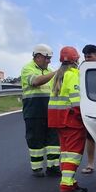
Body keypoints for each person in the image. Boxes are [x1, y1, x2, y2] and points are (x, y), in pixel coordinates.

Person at [48, 46, 88, 192]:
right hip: (71, 120)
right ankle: (66, 186)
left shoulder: (58, 75)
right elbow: (76, 100)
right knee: (73, 154)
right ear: (76, 60)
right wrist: (83, 117)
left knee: (65, 153)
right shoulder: (73, 75)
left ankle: (71, 182)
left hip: (58, 120)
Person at [21, 44, 60, 177]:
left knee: (53, 140)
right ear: (38, 57)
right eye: (47, 58)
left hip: (50, 110)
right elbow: (36, 81)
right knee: (35, 140)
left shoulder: (49, 69)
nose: (49, 61)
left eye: (50, 58)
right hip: (34, 111)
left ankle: (53, 167)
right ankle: (37, 168)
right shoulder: (28, 69)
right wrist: (56, 73)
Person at [79, 44, 96, 175]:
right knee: (90, 137)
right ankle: (90, 164)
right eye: (85, 57)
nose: (87, 59)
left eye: (89, 56)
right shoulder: (82, 69)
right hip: (89, 108)